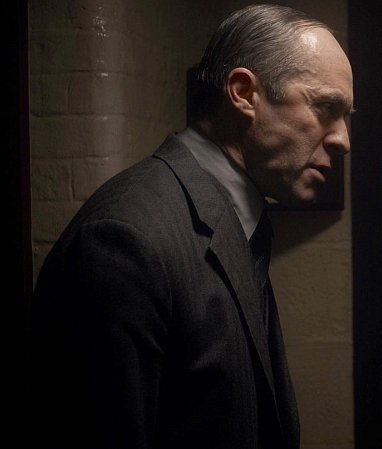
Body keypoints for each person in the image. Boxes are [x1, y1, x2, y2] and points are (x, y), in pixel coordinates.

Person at [29, 4, 353, 448]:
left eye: (346, 116)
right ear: (244, 93)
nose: (342, 139)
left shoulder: (233, 216)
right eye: (325, 107)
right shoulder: (122, 243)